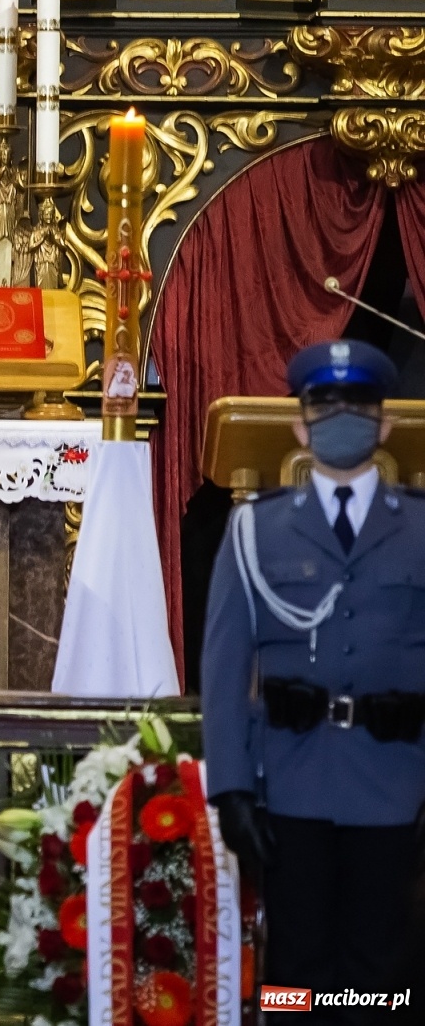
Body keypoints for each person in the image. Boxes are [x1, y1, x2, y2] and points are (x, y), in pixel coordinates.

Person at [202, 338, 425, 1012]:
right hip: (291, 781)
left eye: (357, 405)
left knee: (382, 975)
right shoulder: (253, 529)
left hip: (396, 783)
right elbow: (223, 665)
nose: (341, 416)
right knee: (294, 971)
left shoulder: (419, 527)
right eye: (324, 405)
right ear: (300, 423)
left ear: (386, 423)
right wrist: (231, 787)